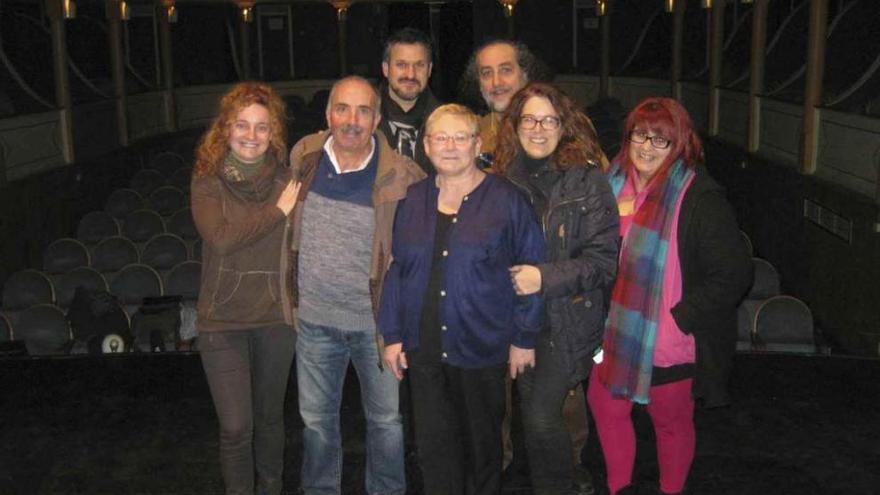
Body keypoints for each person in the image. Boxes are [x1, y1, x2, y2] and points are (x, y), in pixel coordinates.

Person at [586, 97, 753, 495]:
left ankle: (671, 490)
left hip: (668, 337)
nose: (646, 146)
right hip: (614, 330)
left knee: (670, 422)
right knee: (606, 406)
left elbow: (734, 273)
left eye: (660, 140)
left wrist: (680, 317)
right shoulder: (610, 182)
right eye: (639, 135)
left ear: (679, 144)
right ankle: (619, 488)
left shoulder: (699, 198)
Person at [379, 103, 545, 495]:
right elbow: (398, 269)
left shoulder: (507, 199)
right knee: (435, 450)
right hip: (423, 350)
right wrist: (392, 333)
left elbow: (533, 268)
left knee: (482, 449)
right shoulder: (414, 198)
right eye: (440, 137)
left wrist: (524, 336)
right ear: (427, 145)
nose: (450, 146)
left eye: (460, 137)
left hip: (481, 347)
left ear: (476, 144)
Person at [286, 75, 426, 495]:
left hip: (376, 326)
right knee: (316, 423)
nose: (352, 120)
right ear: (328, 115)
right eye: (342, 109)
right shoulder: (304, 157)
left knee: (385, 422)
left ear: (377, 118)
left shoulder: (404, 175)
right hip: (313, 322)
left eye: (363, 110)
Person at [494, 83, 620, 495]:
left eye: (549, 120)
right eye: (529, 118)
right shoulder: (501, 180)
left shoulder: (586, 181)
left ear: (563, 126)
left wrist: (542, 277)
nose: (538, 128)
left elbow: (603, 262)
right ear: (515, 125)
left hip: (567, 320)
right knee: (533, 416)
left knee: (543, 417)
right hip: (519, 323)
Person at [191, 81, 301, 495]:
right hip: (221, 321)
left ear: (273, 133)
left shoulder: (288, 179)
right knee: (237, 426)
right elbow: (221, 238)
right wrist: (276, 213)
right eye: (242, 125)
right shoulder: (207, 180)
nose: (251, 136)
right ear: (226, 129)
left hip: (276, 319)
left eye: (261, 127)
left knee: (271, 419)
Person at [461, 39, 549, 159]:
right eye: (487, 73)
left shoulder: (548, 130)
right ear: (479, 84)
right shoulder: (470, 136)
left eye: (506, 70)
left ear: (525, 75)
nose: (496, 82)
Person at [378, 27, 441, 173]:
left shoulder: (449, 122)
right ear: (386, 69)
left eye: (419, 65)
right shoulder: (362, 121)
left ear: (430, 69)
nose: (411, 74)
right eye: (401, 65)